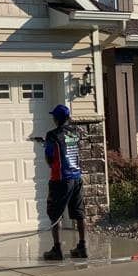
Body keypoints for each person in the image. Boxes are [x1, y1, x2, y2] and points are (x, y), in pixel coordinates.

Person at [41, 104, 86, 261]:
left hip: (60, 179)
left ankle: (57, 250)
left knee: (55, 214)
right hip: (76, 178)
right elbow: (67, 148)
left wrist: (46, 146)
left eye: (54, 116)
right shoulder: (75, 132)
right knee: (78, 213)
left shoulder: (52, 135)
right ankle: (82, 246)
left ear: (56, 119)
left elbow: (50, 158)